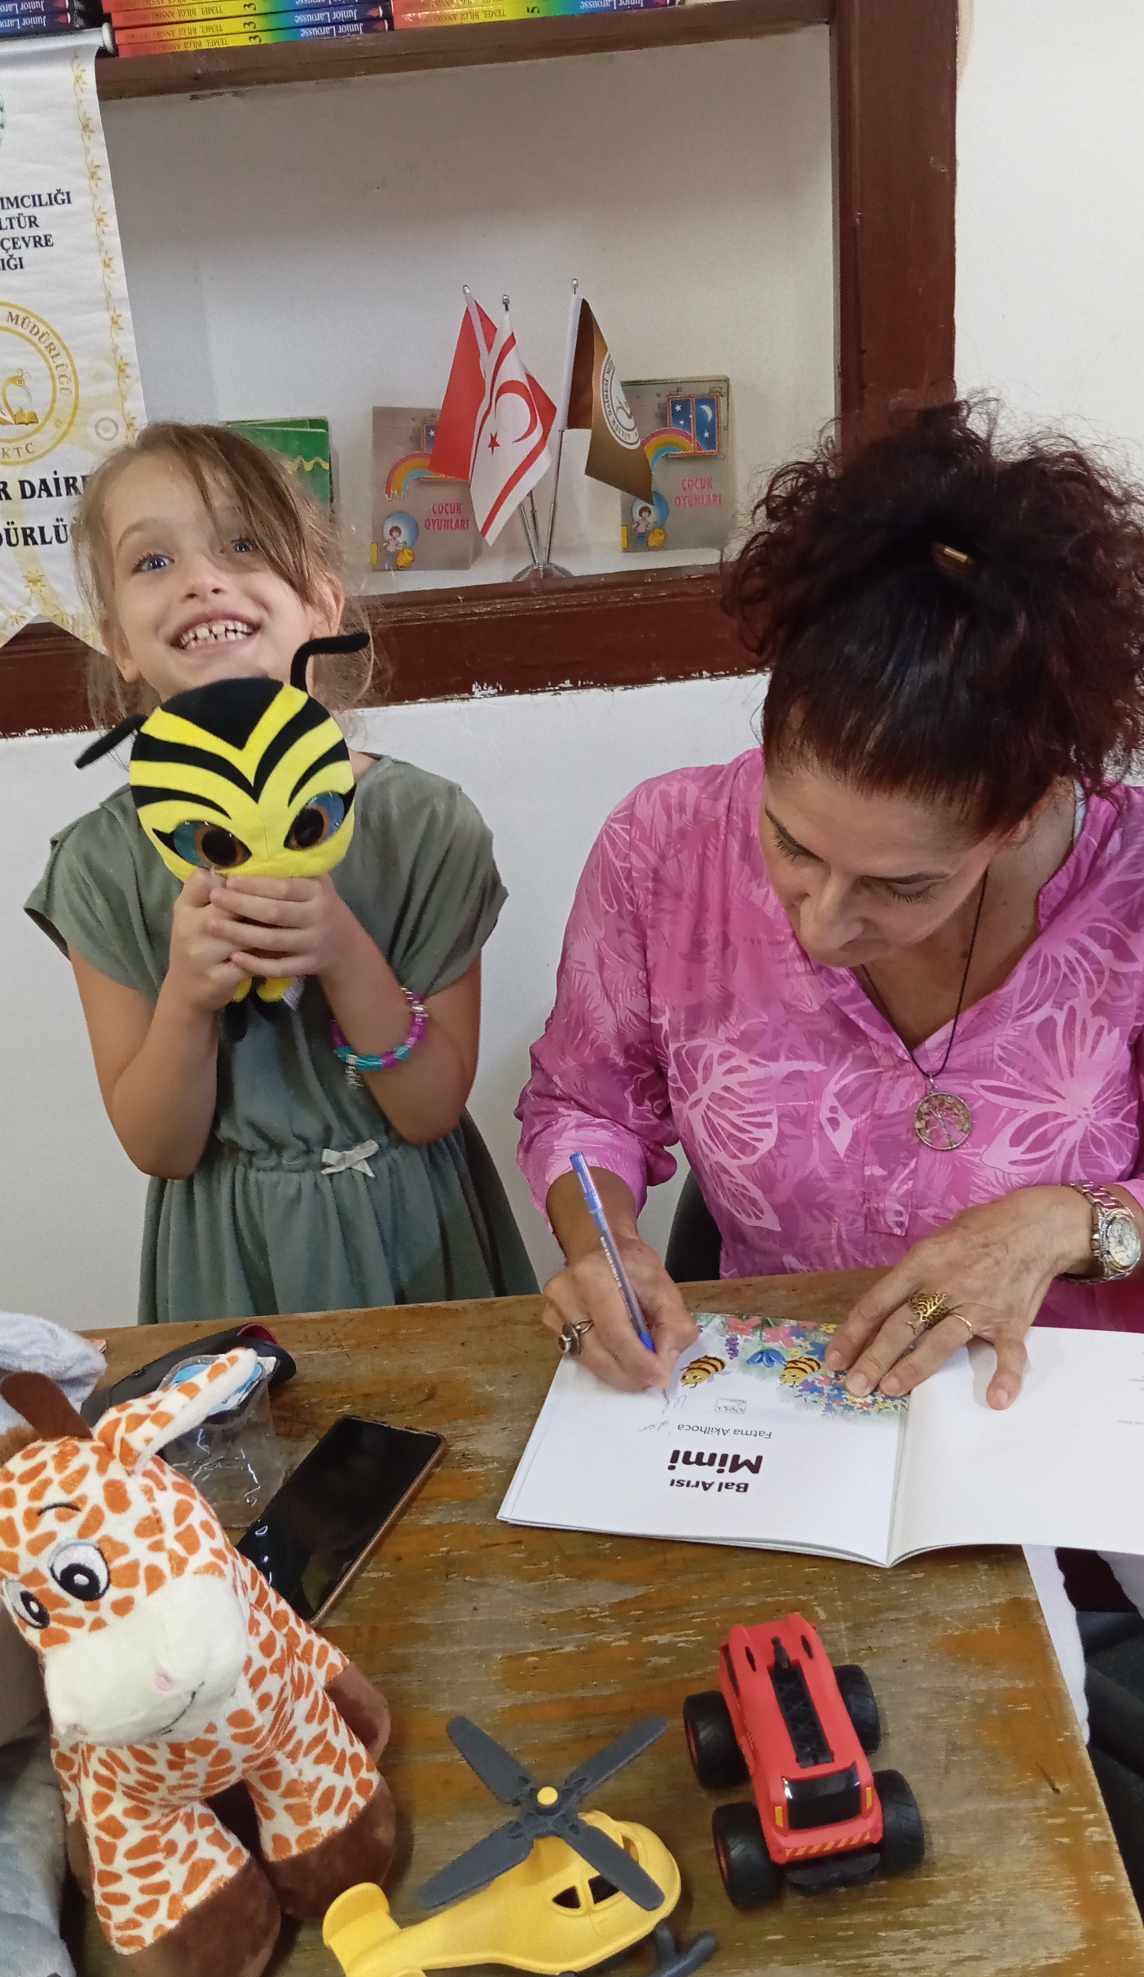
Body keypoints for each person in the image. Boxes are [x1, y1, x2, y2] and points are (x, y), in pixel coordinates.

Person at [516, 402, 1144, 1712]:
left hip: (1076, 1453)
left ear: (1026, 809)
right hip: (790, 1436)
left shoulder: (1128, 891)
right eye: (792, 843)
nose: (815, 923)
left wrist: (1070, 1222)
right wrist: (603, 1241)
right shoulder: (663, 849)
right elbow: (585, 1104)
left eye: (902, 885)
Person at [27, 422, 534, 1322]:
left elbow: (429, 1109)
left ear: (324, 606)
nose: (201, 579)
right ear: (118, 644)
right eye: (153, 561)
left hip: (416, 1235)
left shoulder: (425, 827)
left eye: (244, 544)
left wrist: (343, 951)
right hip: (234, 1257)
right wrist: (187, 998)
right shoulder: (103, 866)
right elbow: (159, 1147)